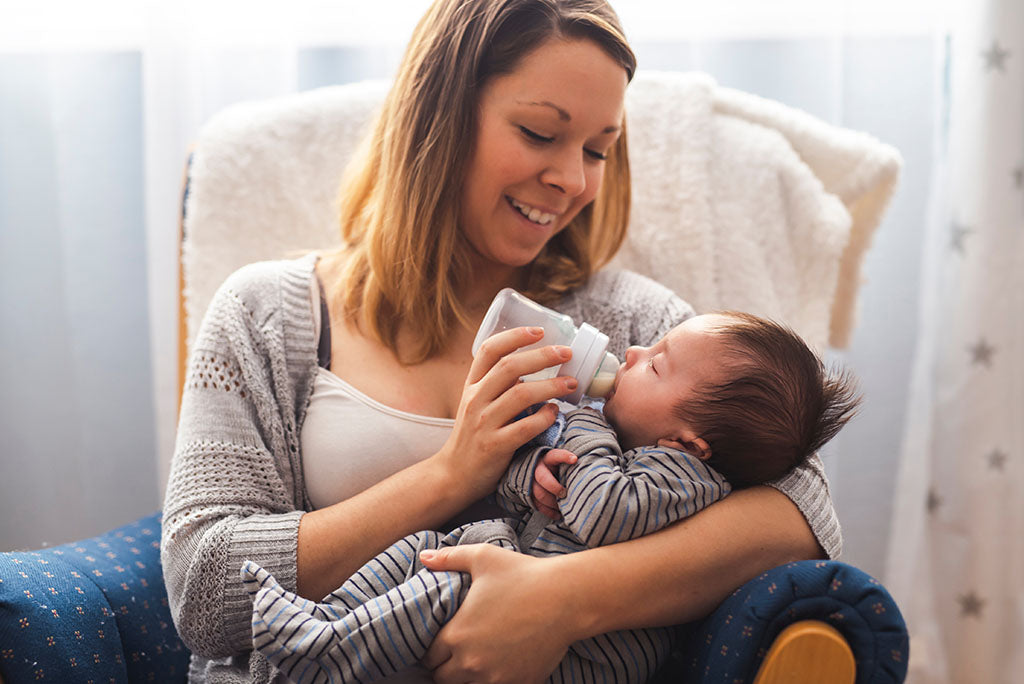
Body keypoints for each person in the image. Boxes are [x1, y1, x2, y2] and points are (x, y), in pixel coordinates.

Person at [161, 1, 839, 682]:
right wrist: (451, 473)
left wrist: (563, 600)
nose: (573, 180)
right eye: (540, 132)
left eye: (598, 149)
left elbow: (802, 511)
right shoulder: (269, 314)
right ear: (440, 116)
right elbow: (203, 590)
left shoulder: (634, 325)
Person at [238, 311, 860, 684]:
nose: (635, 350)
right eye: (538, 132)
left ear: (687, 441)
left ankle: (330, 654)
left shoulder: (686, 475)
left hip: (586, 656)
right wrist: (526, 478)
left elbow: (601, 512)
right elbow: (551, 494)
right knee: (430, 552)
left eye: (657, 365)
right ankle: (329, 618)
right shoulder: (639, 442)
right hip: (518, 566)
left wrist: (583, 418)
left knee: (451, 583)